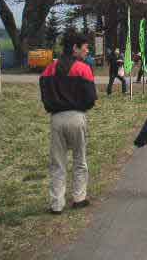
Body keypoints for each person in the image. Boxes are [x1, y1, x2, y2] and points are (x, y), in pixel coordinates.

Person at [39, 32, 97, 214]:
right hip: (76, 116)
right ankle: (79, 198)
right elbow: (91, 98)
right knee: (80, 159)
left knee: (57, 162)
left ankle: (56, 204)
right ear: (75, 48)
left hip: (56, 118)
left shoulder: (49, 68)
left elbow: (44, 94)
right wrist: (81, 107)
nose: (87, 50)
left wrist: (52, 107)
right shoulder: (83, 68)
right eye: (85, 47)